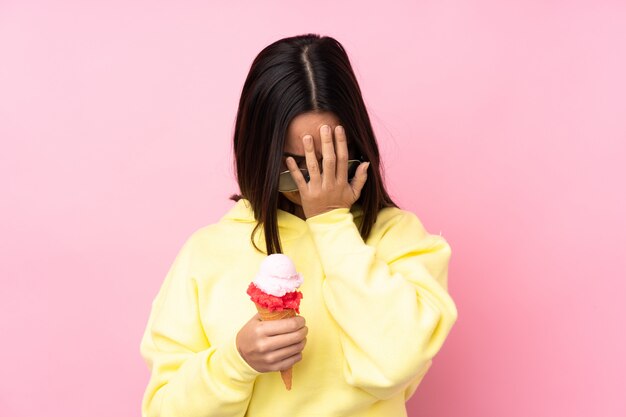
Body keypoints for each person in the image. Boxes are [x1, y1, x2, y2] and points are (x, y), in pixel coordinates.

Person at [140, 33, 458, 417]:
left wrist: (331, 223)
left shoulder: (399, 239)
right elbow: (163, 410)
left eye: (335, 160)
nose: (317, 183)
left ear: (357, 147)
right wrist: (235, 362)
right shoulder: (207, 252)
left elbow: (394, 365)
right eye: (298, 167)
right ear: (261, 153)